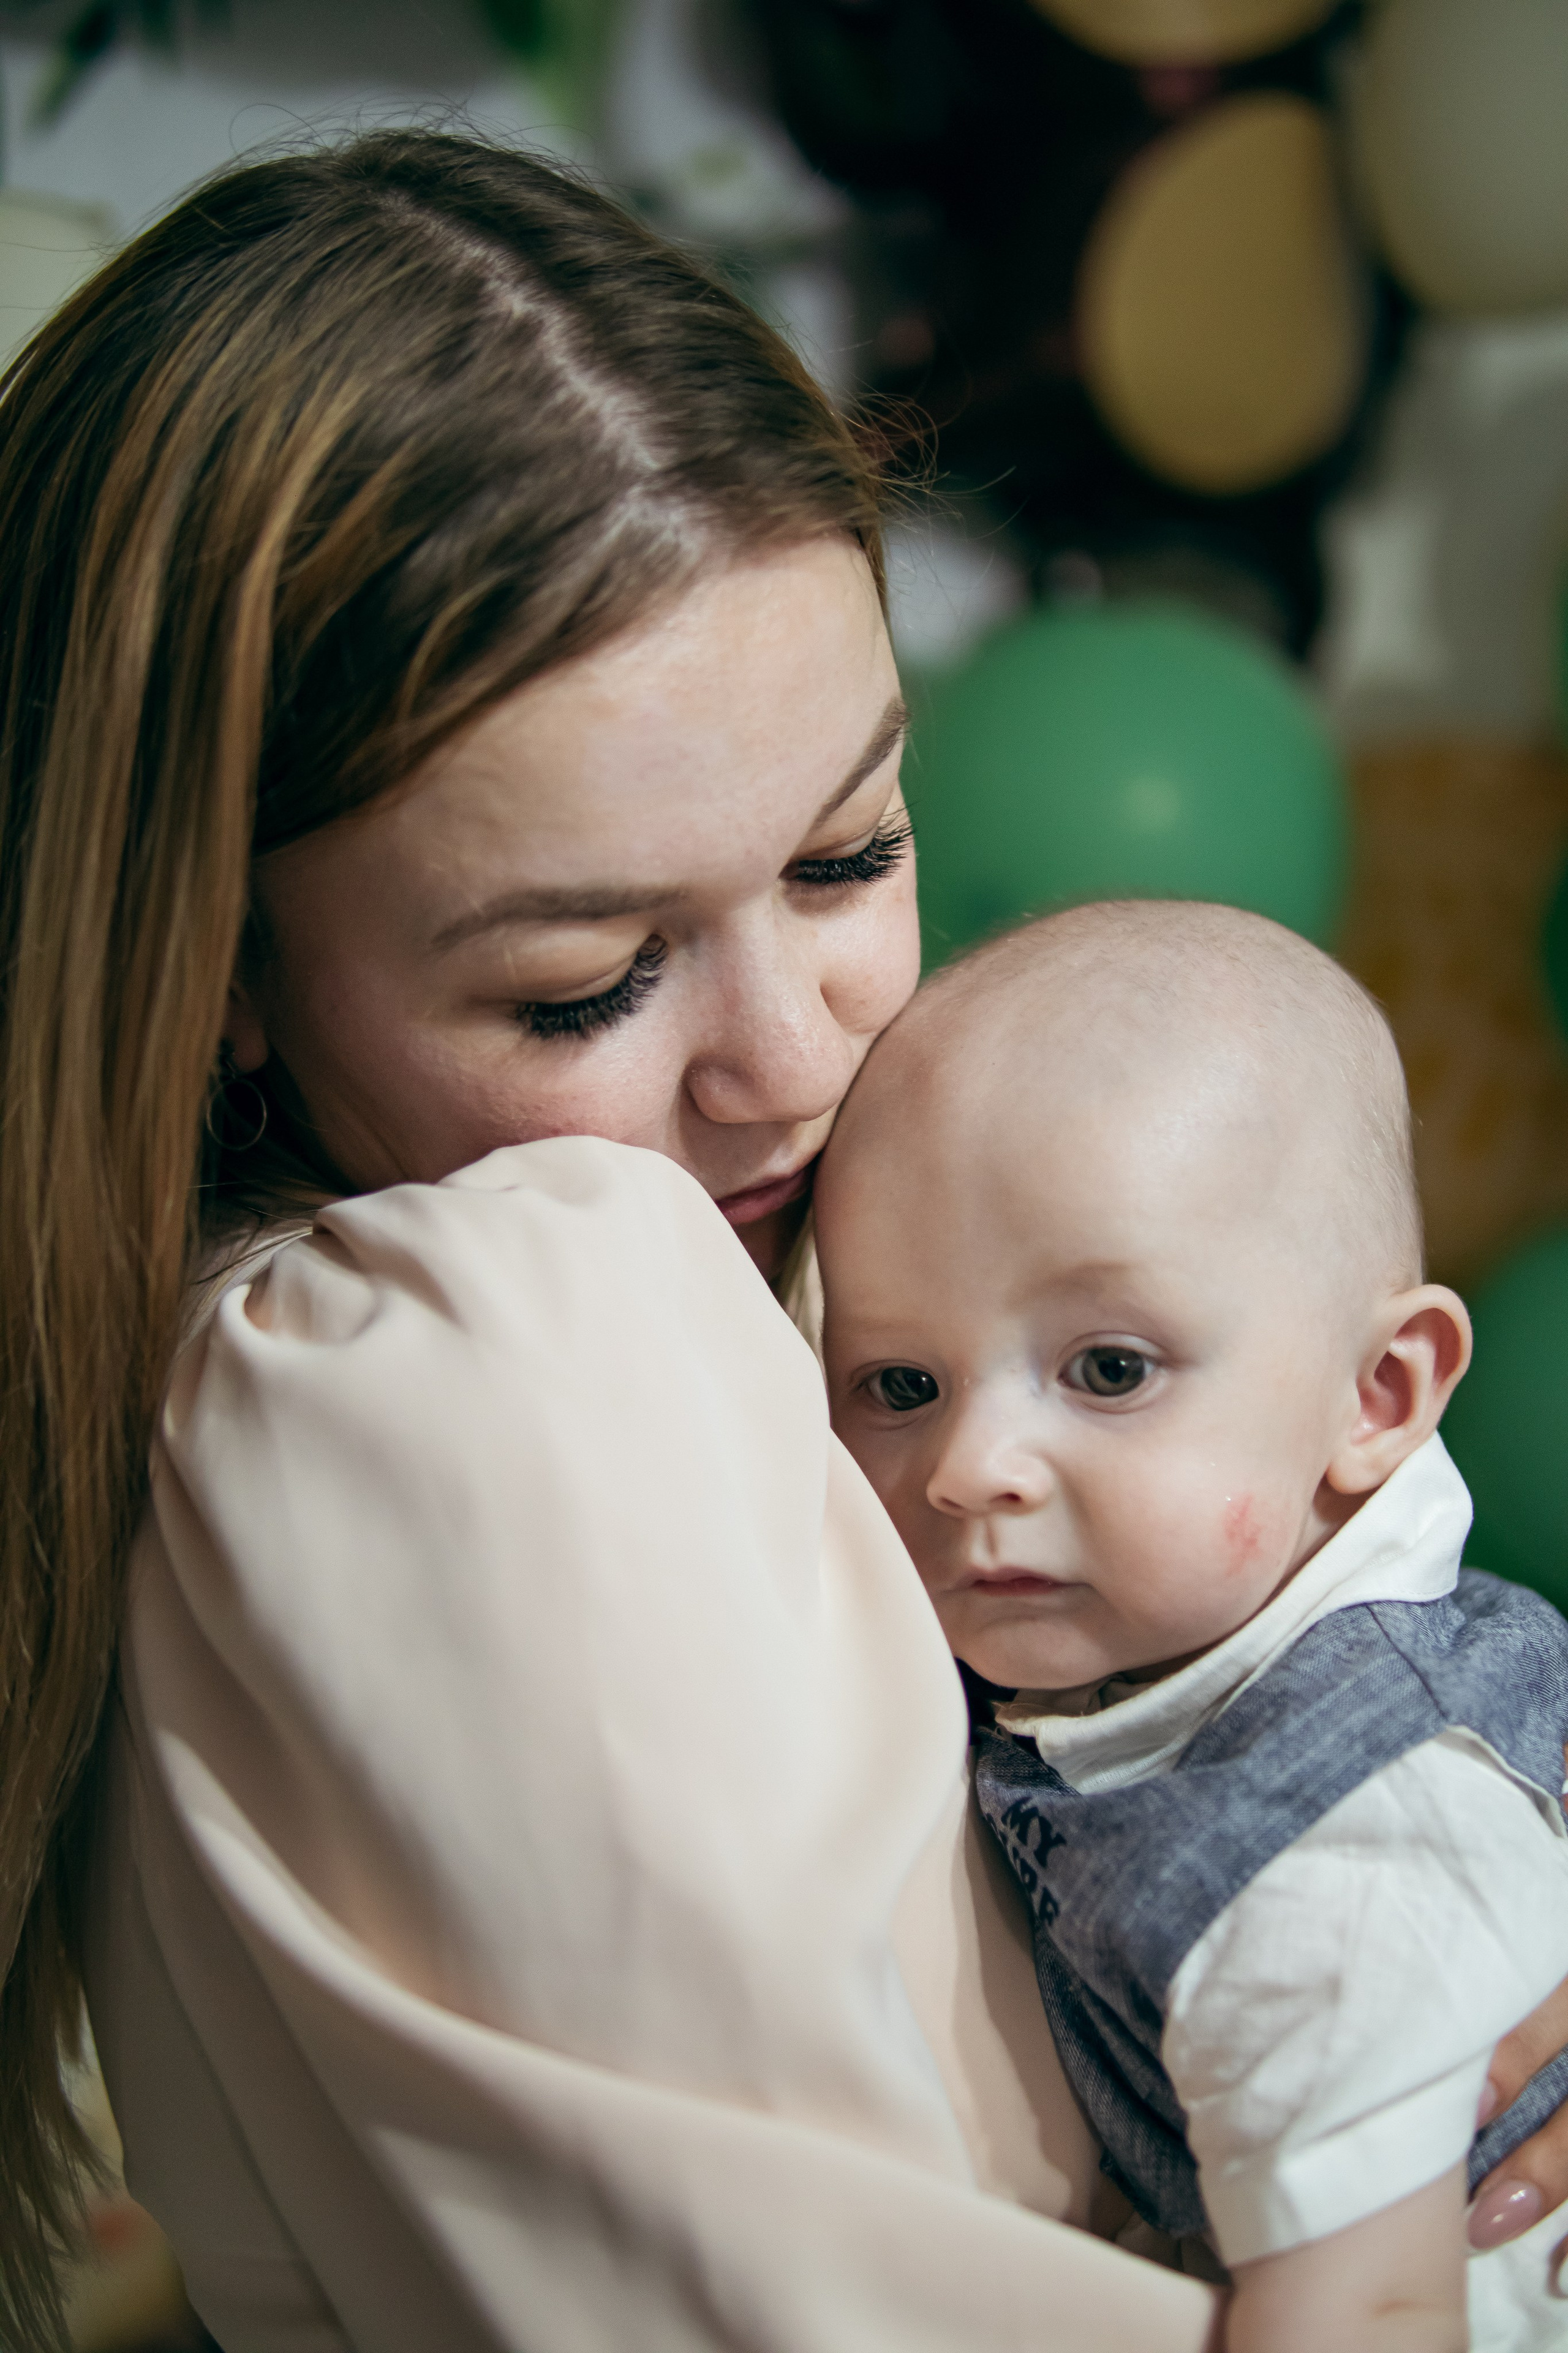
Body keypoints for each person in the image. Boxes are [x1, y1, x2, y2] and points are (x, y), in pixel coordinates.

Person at [0, 129, 1562, 2353]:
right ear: (218, 967)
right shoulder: (507, 1331)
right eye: (584, 984)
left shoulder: (698, 1270)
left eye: (849, 853)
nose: (793, 1057)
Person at [815, 901, 1568, 2353]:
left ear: (1377, 1396)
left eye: (1106, 1367)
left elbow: (1368, 2314)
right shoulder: (1140, 1645)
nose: (969, 1467)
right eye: (898, 1385)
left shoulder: (1330, 1848)